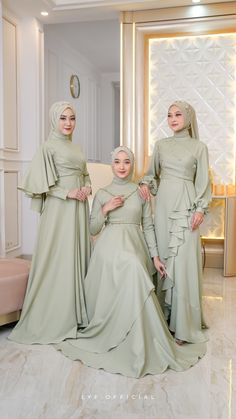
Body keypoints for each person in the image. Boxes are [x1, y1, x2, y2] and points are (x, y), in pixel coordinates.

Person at [56, 146, 206, 378]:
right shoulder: (103, 192)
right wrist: (105, 208)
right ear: (112, 164)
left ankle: (143, 335)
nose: (122, 166)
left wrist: (155, 256)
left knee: (136, 264)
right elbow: (93, 228)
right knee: (131, 265)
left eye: (127, 162)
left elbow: (147, 226)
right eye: (117, 162)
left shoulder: (141, 192)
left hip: (135, 243)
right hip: (109, 245)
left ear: (132, 164)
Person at [9, 101, 91, 344]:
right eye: (63, 118)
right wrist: (68, 193)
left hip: (78, 206)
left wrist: (86, 186)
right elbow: (41, 185)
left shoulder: (76, 147)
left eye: (72, 118)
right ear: (54, 120)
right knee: (59, 255)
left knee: (76, 253)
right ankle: (56, 313)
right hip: (60, 208)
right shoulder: (47, 147)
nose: (68, 123)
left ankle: (77, 312)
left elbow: (84, 173)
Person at [140, 100, 211, 345]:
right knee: (166, 259)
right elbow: (151, 175)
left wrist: (200, 209)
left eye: (178, 114)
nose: (172, 119)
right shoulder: (160, 145)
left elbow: (203, 182)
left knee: (183, 263)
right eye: (169, 115)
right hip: (164, 208)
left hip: (187, 206)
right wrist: (143, 184)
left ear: (188, 118)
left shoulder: (199, 147)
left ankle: (184, 325)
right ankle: (164, 320)